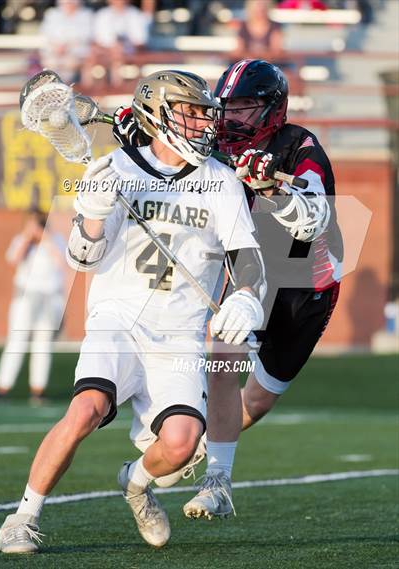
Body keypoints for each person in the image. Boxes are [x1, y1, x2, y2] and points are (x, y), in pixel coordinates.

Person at [0, 69, 266, 553]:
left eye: (205, 113)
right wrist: (94, 215)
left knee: (182, 444)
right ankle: (23, 516)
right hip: (117, 318)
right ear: (158, 115)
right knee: (86, 409)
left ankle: (136, 484)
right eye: (191, 112)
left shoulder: (219, 179)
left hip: (181, 331)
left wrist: (245, 295)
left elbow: (246, 257)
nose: (203, 123)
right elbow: (82, 258)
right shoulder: (116, 168)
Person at [182, 59, 343, 518]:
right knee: (222, 360)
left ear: (273, 108)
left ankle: (208, 444)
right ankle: (217, 480)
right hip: (248, 276)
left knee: (259, 398)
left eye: (246, 107)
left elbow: (313, 223)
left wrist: (272, 187)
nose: (231, 117)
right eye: (228, 107)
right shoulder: (212, 146)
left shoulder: (300, 147)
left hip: (303, 285)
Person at [0, 208, 66, 404]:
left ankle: (38, 390)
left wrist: (46, 238)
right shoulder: (21, 240)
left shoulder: (56, 239)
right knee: (16, 341)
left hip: (50, 298)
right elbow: (14, 259)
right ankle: (2, 388)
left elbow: (62, 263)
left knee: (42, 345)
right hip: (26, 297)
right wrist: (27, 237)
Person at [83, 0, 152, 87]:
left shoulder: (135, 15)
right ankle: (88, 90)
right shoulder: (102, 14)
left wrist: (121, 47)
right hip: (105, 51)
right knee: (91, 56)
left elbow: (140, 41)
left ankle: (117, 88)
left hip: (129, 51)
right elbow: (98, 40)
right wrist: (111, 47)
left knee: (117, 55)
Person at [39, 0, 93, 84]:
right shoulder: (52, 14)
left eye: (71, 3)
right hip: (54, 52)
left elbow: (86, 37)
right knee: (51, 63)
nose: (68, 5)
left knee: (70, 63)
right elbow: (45, 35)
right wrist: (57, 47)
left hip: (77, 53)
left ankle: (67, 89)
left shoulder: (86, 15)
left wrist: (67, 47)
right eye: (66, 3)